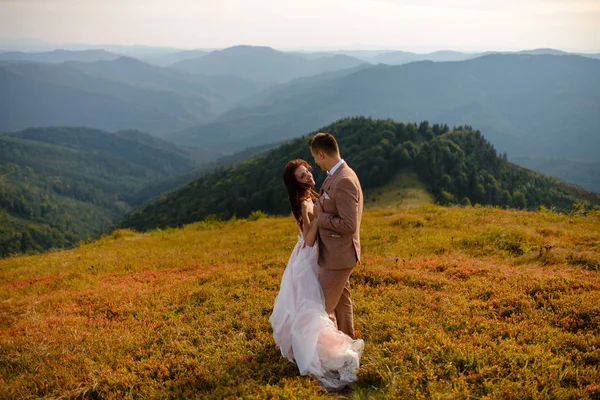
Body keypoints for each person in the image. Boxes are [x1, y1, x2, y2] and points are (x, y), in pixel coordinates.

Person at [269, 159, 364, 391]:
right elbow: (309, 239)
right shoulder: (304, 203)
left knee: (341, 297)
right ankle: (329, 353)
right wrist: (321, 217)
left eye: (308, 171)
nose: (309, 176)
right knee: (319, 307)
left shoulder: (309, 195)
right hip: (311, 257)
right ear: (296, 183)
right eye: (303, 176)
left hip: (315, 254)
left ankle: (345, 339)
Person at [309, 132, 363, 339]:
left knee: (322, 309)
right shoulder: (337, 175)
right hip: (337, 253)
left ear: (321, 154)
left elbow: (349, 224)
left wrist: (320, 218)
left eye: (314, 157)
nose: (314, 161)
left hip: (338, 256)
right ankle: (348, 342)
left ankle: (325, 353)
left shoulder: (344, 180)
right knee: (342, 303)